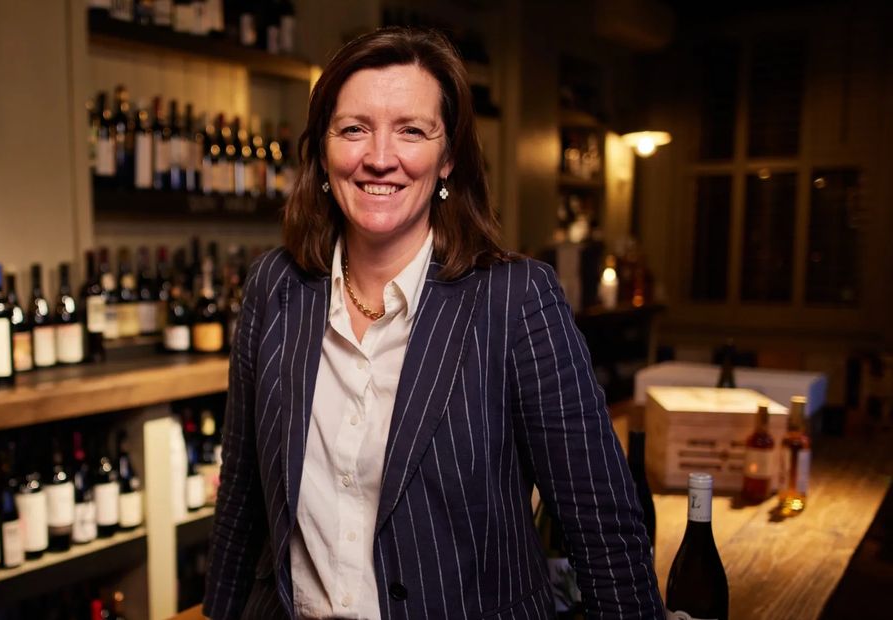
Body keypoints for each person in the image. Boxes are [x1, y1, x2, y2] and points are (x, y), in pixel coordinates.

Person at [203, 27, 662, 620]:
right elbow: (241, 497)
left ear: (448, 158)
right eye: (354, 128)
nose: (379, 157)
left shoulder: (514, 299)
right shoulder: (275, 286)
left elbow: (602, 526)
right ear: (322, 150)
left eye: (412, 130)